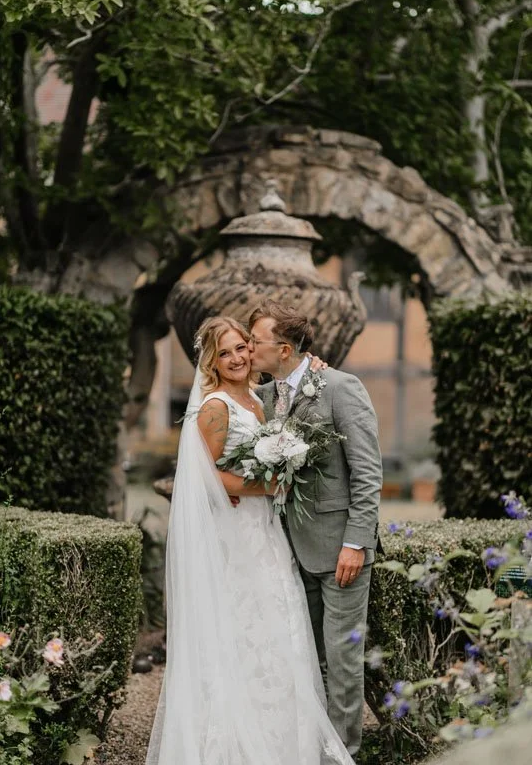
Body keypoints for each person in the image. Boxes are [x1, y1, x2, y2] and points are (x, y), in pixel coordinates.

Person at [145, 316, 353, 765]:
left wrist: (312, 367)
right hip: (237, 537)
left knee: (283, 627)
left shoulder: (260, 397)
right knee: (245, 629)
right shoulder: (216, 406)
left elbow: (293, 384)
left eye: (242, 346)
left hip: (267, 531)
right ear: (210, 361)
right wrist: (271, 484)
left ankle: (286, 744)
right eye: (225, 352)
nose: (237, 357)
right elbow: (206, 477)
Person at [248, 300, 382, 760]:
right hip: (283, 551)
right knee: (304, 660)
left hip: (337, 551)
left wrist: (356, 543)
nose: (248, 349)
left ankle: (343, 754)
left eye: (255, 342)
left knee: (342, 663)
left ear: (283, 349)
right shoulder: (261, 398)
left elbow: (367, 472)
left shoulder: (341, 387)